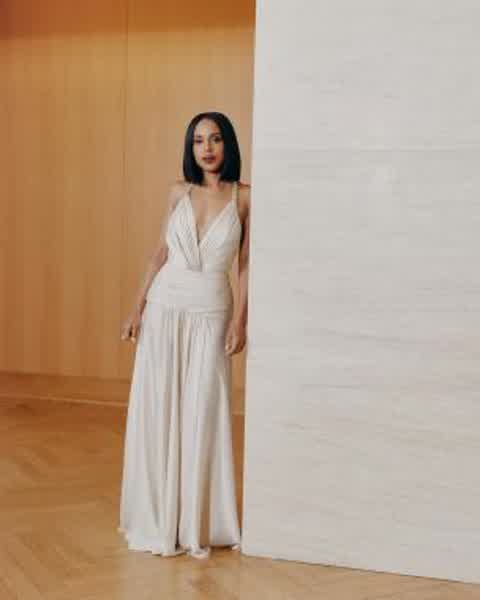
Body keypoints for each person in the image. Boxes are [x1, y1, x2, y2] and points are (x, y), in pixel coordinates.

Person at [117, 111, 250, 559]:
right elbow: (160, 253)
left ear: (228, 144)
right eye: (198, 140)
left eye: (215, 139)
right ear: (191, 148)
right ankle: (158, 514)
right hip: (165, 307)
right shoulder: (179, 191)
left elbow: (246, 265)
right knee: (159, 405)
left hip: (211, 310)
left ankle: (197, 520)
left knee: (202, 410)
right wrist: (137, 307)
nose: (207, 148)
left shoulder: (245, 198)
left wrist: (241, 320)